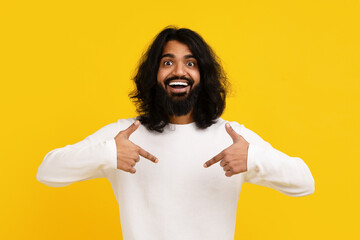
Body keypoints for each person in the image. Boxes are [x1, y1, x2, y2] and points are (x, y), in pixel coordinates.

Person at [36, 26, 315, 240]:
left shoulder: (231, 138)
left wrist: (253, 158)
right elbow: (47, 172)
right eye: (168, 62)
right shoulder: (124, 136)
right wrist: (108, 153)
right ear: (153, 74)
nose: (179, 71)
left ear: (203, 76)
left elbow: (305, 183)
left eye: (191, 63)